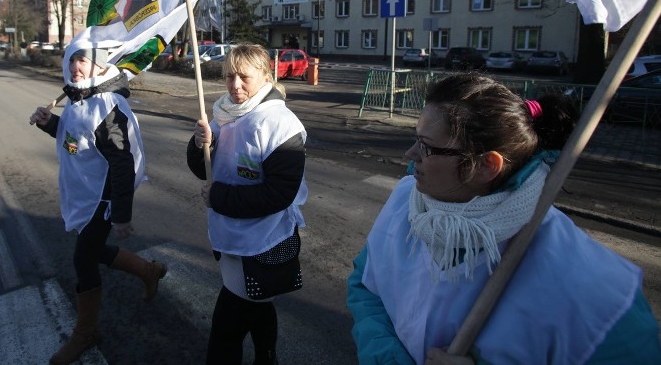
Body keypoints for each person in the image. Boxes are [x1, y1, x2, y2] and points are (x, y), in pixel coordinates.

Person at [347, 73, 661, 364]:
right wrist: (389, 357)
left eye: (427, 147)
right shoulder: (406, 200)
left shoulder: (592, 290)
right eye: (416, 138)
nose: (410, 154)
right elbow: (366, 287)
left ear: (486, 166)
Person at [29, 38, 167, 365]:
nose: (77, 67)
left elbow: (122, 162)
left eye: (84, 61)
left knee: (83, 259)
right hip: (83, 192)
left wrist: (120, 214)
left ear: (100, 66)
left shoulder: (107, 106)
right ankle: (149, 271)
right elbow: (77, 144)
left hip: (101, 199)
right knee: (92, 250)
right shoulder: (80, 100)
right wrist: (51, 124)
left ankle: (86, 332)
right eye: (73, 60)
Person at [187, 43, 308, 365]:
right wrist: (198, 145)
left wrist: (219, 198)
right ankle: (267, 356)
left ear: (265, 76)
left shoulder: (281, 125)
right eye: (229, 77)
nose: (235, 85)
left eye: (244, 77)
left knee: (227, 326)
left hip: (261, 239)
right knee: (258, 302)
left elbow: (278, 195)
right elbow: (204, 168)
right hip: (231, 233)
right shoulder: (223, 112)